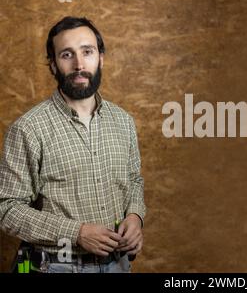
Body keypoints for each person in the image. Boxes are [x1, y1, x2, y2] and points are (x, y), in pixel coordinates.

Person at [0, 16, 146, 273]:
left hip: (118, 266)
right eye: (67, 54)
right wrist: (76, 233)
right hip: (53, 266)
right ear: (53, 65)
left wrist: (135, 216)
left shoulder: (124, 121)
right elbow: (7, 209)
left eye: (87, 52)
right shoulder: (28, 129)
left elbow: (134, 180)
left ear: (100, 58)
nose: (79, 64)